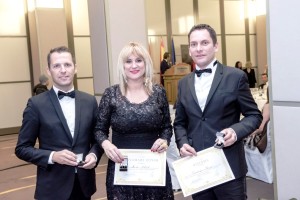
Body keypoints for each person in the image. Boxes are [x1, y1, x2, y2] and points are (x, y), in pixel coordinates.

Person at [173, 24, 262, 199]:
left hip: (229, 166)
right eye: (193, 44)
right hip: (197, 166)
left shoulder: (235, 76)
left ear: (215, 46)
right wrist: (182, 143)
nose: (198, 48)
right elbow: (180, 123)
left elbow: (254, 115)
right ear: (189, 49)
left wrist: (235, 132)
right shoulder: (183, 83)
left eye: (204, 43)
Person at [15, 46, 102, 200]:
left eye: (67, 65)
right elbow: (22, 148)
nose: (63, 70)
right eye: (57, 66)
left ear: (75, 68)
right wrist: (52, 156)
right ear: (49, 70)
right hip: (52, 188)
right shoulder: (36, 105)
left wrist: (94, 155)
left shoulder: (90, 101)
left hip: (83, 186)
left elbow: (98, 139)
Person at [94, 42, 174, 200]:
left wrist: (165, 140)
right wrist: (106, 144)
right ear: (122, 66)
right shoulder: (111, 94)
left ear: (146, 63)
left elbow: (166, 127)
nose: (134, 65)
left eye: (139, 60)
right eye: (128, 61)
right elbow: (99, 130)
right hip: (122, 170)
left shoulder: (159, 92)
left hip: (154, 170)